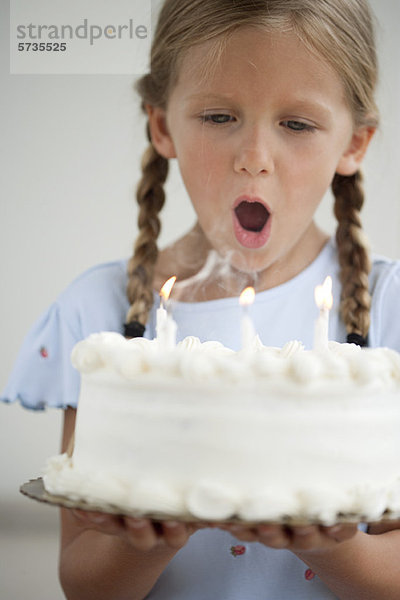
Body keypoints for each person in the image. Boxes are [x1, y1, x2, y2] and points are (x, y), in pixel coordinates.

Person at [3, 0, 400, 598]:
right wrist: (157, 532)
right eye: (218, 116)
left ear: (355, 143)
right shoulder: (101, 316)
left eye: (296, 124)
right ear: (162, 125)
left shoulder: (388, 308)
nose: (254, 158)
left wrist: (325, 540)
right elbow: (84, 584)